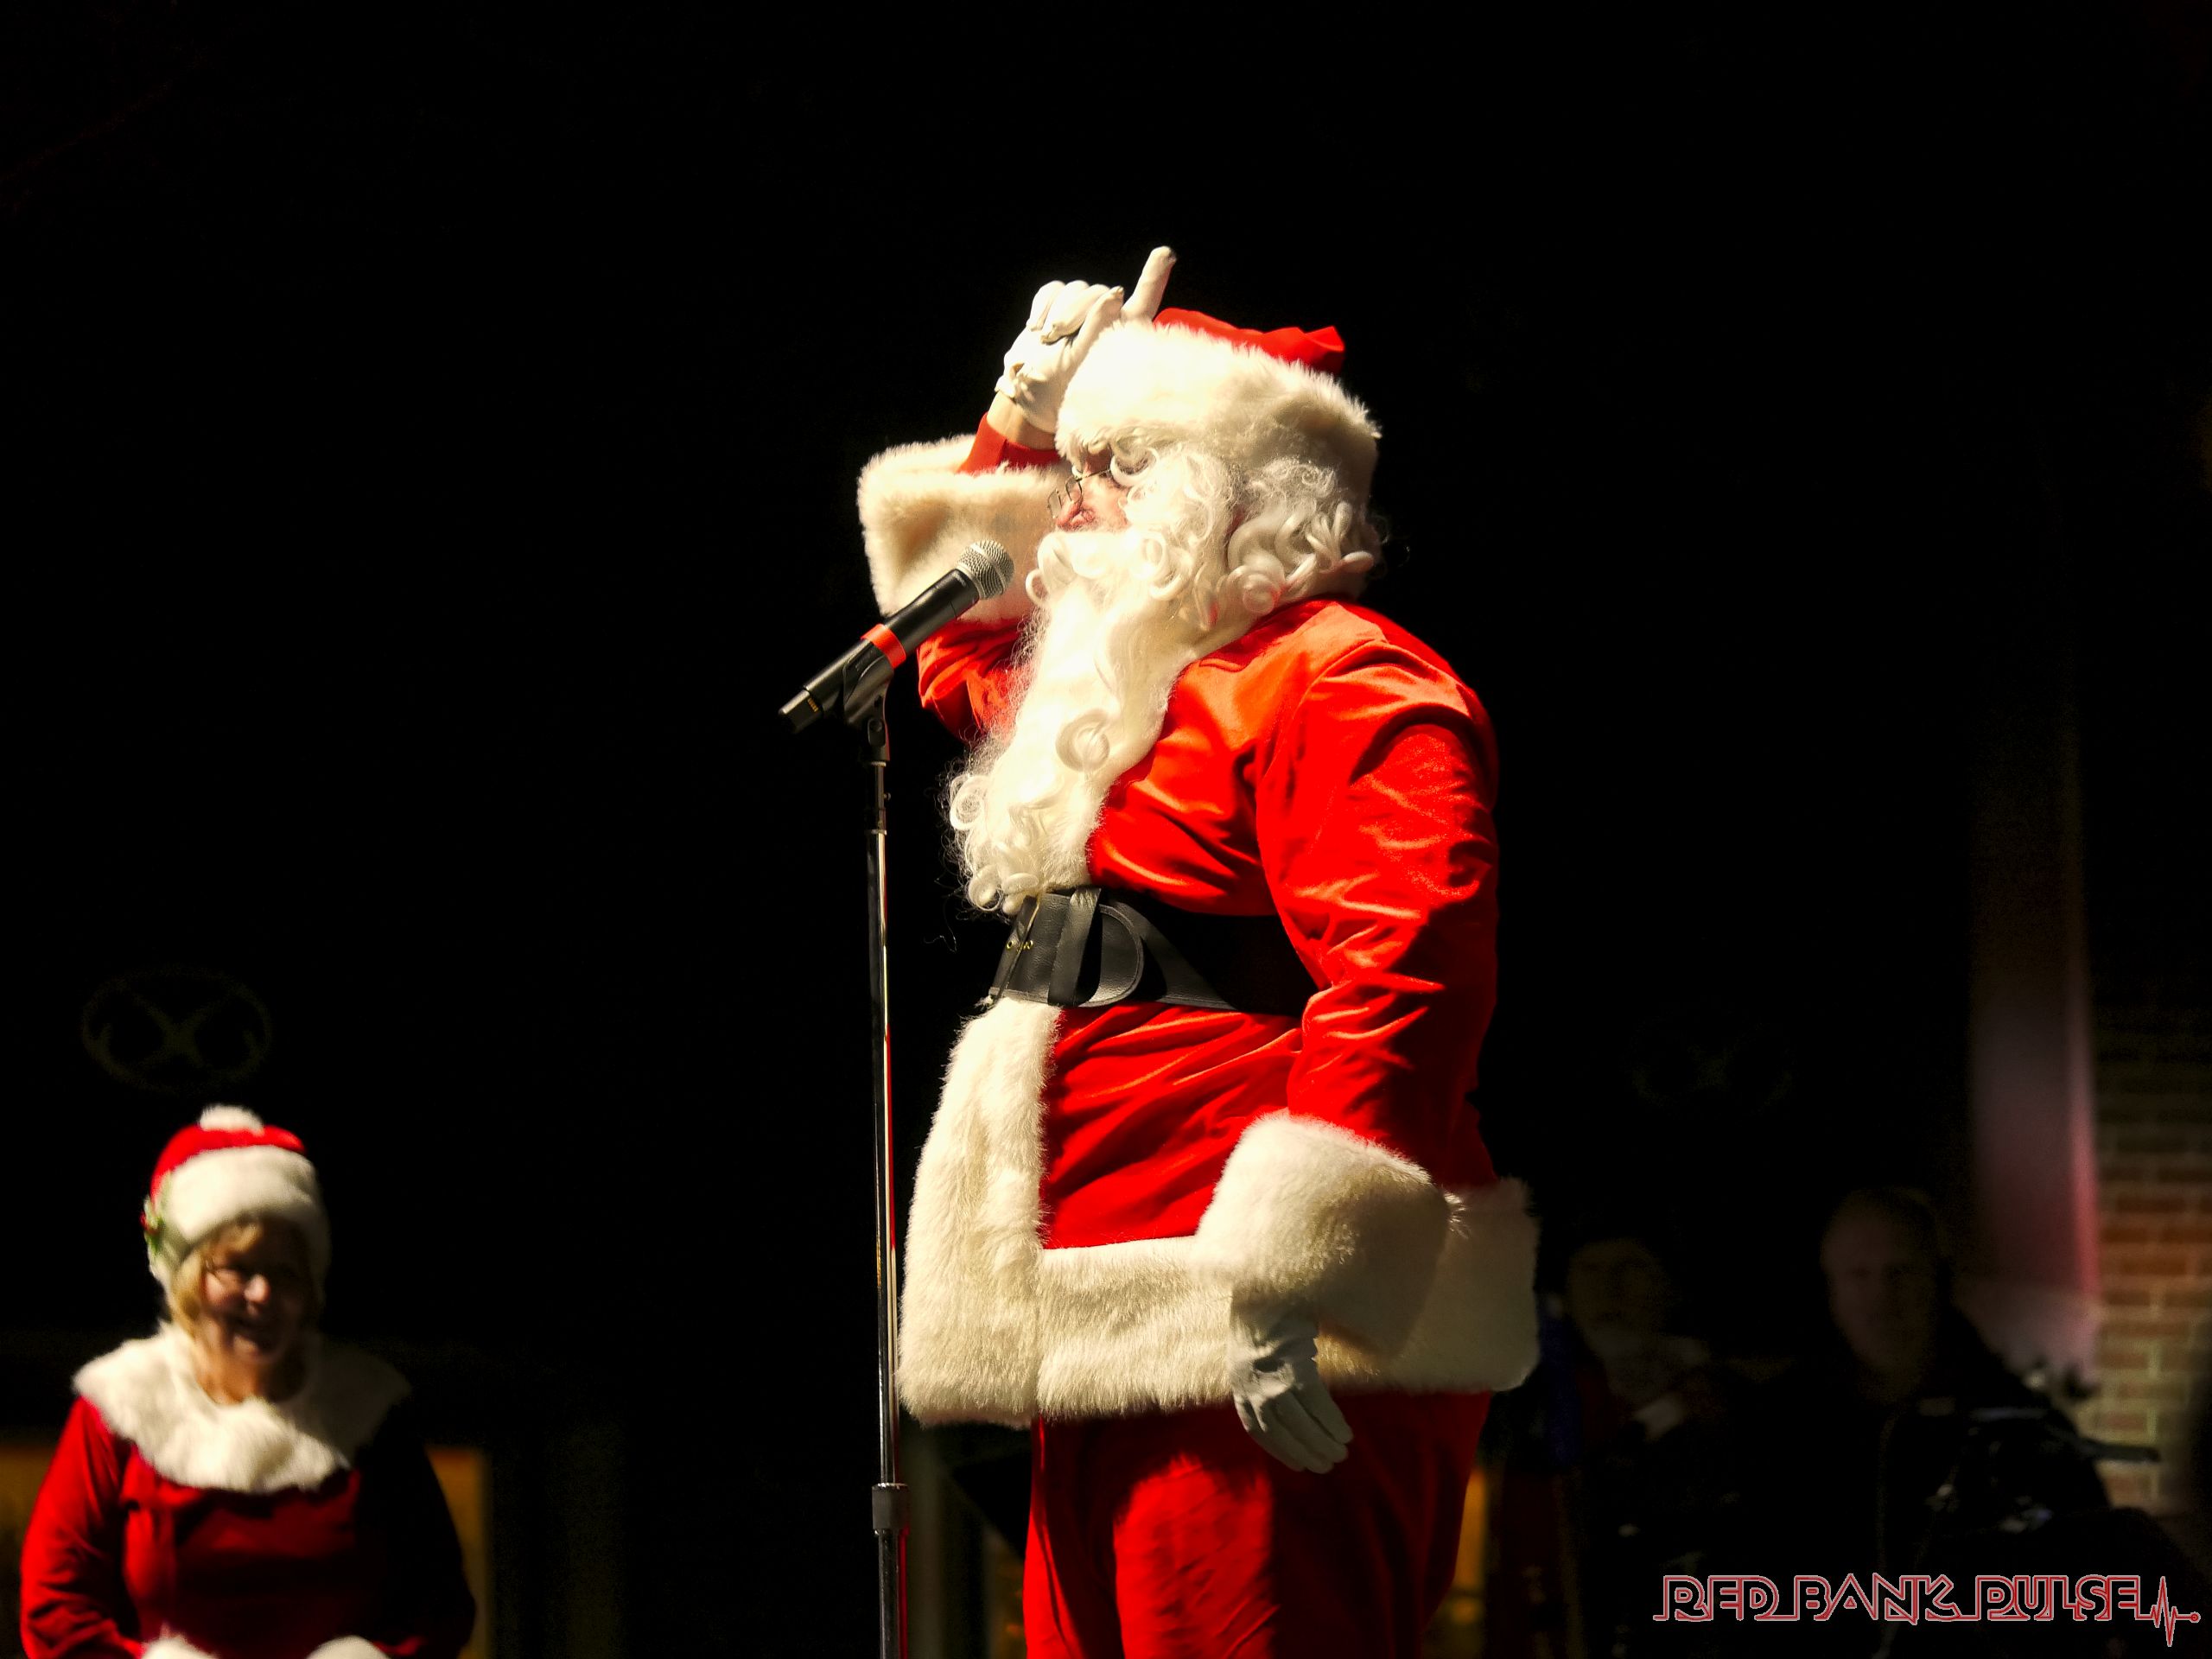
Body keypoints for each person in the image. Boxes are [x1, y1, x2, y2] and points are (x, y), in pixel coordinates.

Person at [856, 247, 1539, 1656]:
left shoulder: (1341, 675)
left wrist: (1301, 1278)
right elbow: (954, 646)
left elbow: (1405, 979)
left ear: (1216, 491)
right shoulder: (1122, 692)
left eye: (1107, 468)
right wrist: (1016, 423)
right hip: (1099, 1305)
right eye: (1072, 470)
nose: (1068, 507)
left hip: (1246, 1312)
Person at [18, 1106, 476, 1659]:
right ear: (190, 1282)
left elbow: (439, 1603)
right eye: (237, 1268)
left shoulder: (366, 1412)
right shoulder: (123, 1408)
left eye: (285, 1273)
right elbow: (54, 1606)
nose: (262, 1294)